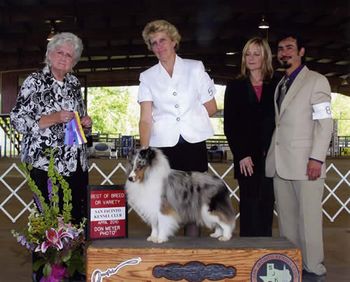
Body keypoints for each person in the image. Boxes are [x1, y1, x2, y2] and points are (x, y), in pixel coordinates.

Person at [138, 19, 217, 236]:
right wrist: (144, 152)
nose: (159, 46)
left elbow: (211, 108)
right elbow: (145, 119)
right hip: (163, 146)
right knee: (165, 200)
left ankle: (193, 250)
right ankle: (167, 250)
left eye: (163, 40)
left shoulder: (195, 68)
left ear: (174, 41)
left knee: (194, 199)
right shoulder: (147, 77)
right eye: (153, 43)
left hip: (193, 143)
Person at [266, 33, 333, 277]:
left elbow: (325, 123)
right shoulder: (280, 84)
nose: (284, 52)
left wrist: (317, 158)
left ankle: (314, 267)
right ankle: (291, 264)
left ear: (301, 51)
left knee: (309, 221)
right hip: (280, 163)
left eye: (290, 47)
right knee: (287, 222)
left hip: (307, 163)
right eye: (281, 48)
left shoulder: (316, 81)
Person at [10, 32, 92, 224]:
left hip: (76, 164)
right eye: (59, 52)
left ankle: (76, 254)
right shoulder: (34, 81)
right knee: (50, 221)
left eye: (69, 55)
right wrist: (52, 118)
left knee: (76, 219)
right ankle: (49, 255)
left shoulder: (73, 83)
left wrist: (85, 124)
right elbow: (17, 119)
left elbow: (77, 120)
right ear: (49, 54)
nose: (63, 58)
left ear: (74, 61)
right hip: (45, 163)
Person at [224, 37, 277, 237]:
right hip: (246, 159)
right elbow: (230, 125)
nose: (251, 58)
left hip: (271, 157)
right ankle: (249, 254)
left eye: (257, 54)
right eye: (248, 54)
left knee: (266, 207)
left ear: (265, 57)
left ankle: (265, 256)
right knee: (249, 207)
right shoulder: (235, 87)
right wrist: (242, 154)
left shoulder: (277, 86)